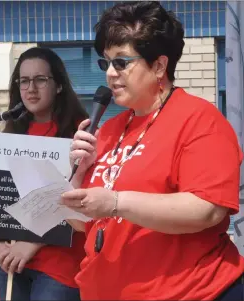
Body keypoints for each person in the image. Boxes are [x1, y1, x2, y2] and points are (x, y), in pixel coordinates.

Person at [59, 2, 244, 300]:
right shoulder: (107, 130)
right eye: (105, 62)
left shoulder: (199, 120)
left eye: (121, 62)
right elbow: (84, 224)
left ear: (159, 65)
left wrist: (116, 202)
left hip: (191, 292)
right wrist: (77, 176)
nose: (109, 74)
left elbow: (207, 209)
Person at [0, 46, 89, 301]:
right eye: (23, 81)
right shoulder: (9, 135)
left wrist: (32, 244)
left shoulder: (80, 133)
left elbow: (84, 205)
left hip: (60, 264)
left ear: (58, 85)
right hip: (10, 262)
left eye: (40, 79)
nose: (31, 88)